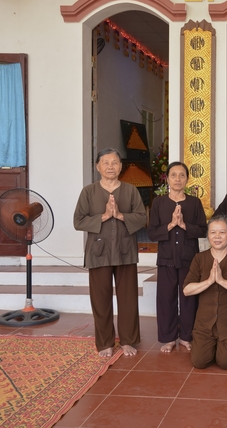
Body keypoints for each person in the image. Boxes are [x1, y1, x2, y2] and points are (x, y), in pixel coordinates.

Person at [73, 148, 146, 357]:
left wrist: (121, 215)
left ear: (121, 166)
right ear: (98, 167)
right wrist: (104, 216)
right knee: (100, 299)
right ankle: (105, 342)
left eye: (114, 162)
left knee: (128, 299)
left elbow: (142, 218)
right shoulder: (88, 192)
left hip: (125, 251)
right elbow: (78, 221)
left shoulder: (131, 191)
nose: (110, 166)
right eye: (106, 163)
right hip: (98, 251)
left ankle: (128, 340)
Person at [147, 162, 207, 353]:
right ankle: (168, 338)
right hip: (166, 258)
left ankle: (187, 336)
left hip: (189, 258)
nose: (178, 179)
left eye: (182, 175)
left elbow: (203, 230)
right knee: (166, 299)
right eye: (173, 175)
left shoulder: (194, 203)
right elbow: (152, 233)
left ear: (187, 179)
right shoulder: (159, 203)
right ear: (167, 179)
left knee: (189, 298)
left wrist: (184, 225)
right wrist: (172, 224)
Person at [183, 215, 227, 370]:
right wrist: (209, 281)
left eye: (222, 232)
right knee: (199, 362)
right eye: (213, 232)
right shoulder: (199, 258)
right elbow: (186, 290)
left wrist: (222, 281)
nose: (217, 236)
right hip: (205, 322)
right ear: (208, 235)